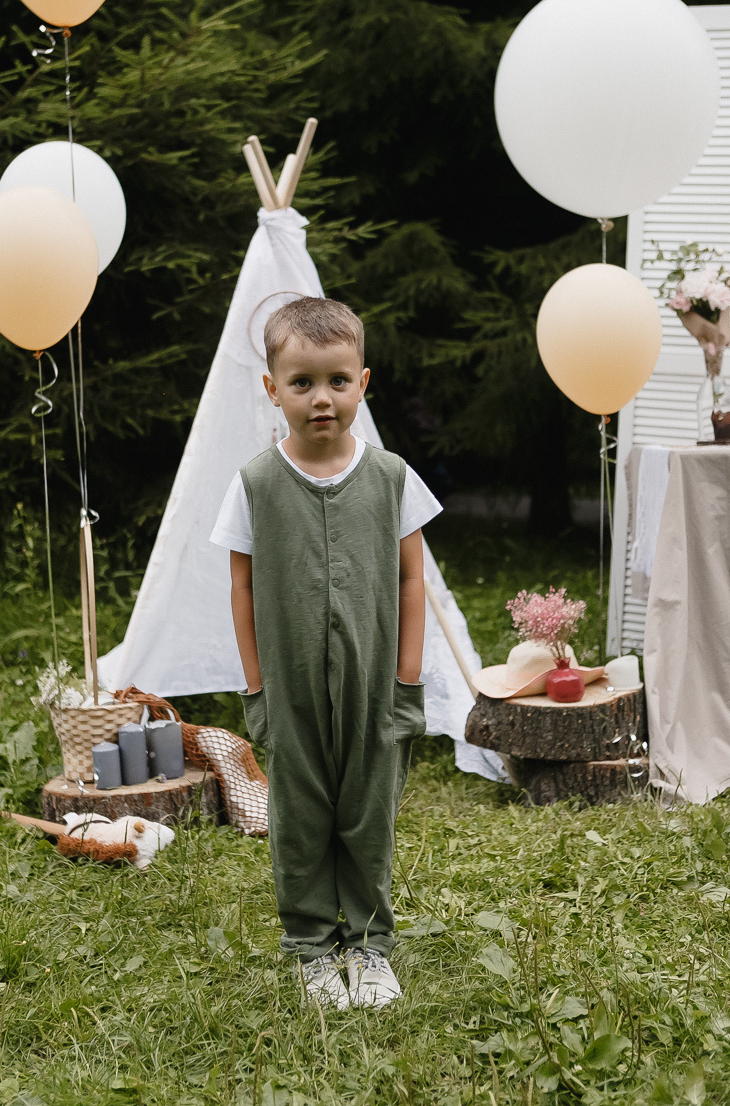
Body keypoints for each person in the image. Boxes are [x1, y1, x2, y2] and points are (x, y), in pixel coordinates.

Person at [210, 296, 441, 1009]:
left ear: (362, 383)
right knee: (302, 813)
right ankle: (311, 943)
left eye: (338, 381)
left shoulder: (391, 477)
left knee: (369, 811)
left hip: (375, 683)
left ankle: (369, 944)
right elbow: (242, 588)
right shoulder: (255, 484)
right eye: (302, 382)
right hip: (290, 685)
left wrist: (406, 678)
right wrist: (257, 687)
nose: (321, 398)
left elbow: (412, 579)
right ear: (272, 388)